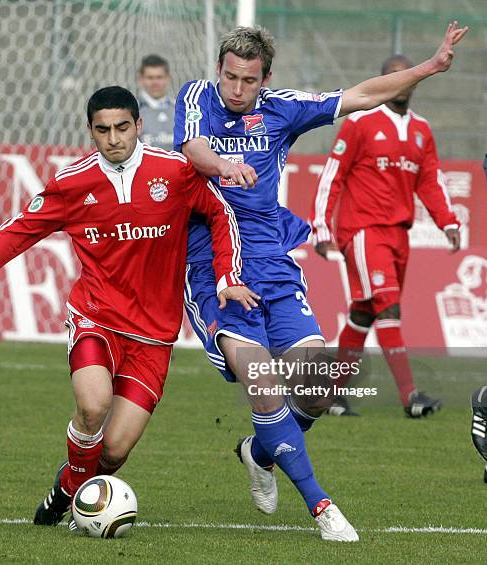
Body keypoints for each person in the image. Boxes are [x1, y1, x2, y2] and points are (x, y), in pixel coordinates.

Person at [174, 23, 467, 542]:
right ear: (218, 70)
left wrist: (429, 67)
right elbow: (194, 149)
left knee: (313, 390)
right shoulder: (197, 96)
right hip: (213, 263)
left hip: (271, 261)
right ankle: (322, 506)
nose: (236, 88)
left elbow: (359, 96)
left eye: (248, 80)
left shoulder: (282, 108)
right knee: (262, 382)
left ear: (266, 79)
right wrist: (224, 165)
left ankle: (258, 451)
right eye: (230, 76)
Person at [0, 86, 258, 528]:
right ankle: (81, 505)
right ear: (90, 131)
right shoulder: (71, 184)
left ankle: (66, 490)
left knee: (116, 450)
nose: (114, 138)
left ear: (139, 126)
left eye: (123, 127)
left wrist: (227, 277)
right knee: (93, 406)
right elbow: (16, 233)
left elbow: (220, 215)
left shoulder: (175, 173)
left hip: (154, 335)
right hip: (96, 318)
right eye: (102, 130)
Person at [311, 54, 461, 418]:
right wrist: (321, 227)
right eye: (392, 77)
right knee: (388, 307)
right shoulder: (360, 122)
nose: (401, 83)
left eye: (405, 77)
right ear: (382, 82)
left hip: (399, 235)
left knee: (364, 313)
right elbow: (334, 175)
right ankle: (411, 397)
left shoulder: (422, 130)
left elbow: (430, 180)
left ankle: (329, 396)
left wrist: (449, 222)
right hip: (363, 231)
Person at [137, 54, 175, 151]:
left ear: (168, 78)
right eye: (150, 78)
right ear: (141, 79)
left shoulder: (180, 109)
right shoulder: (133, 110)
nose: (155, 82)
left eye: (159, 77)